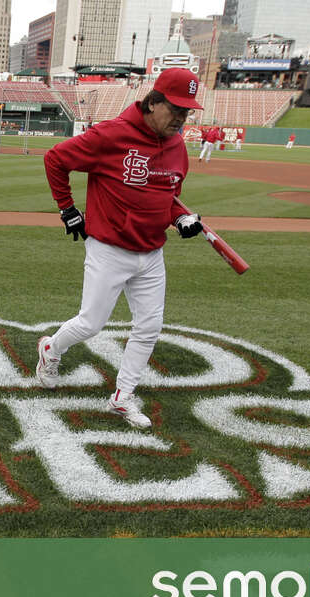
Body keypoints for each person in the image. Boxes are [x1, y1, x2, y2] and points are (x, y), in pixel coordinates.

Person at [36, 67, 206, 429]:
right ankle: (51, 348)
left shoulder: (177, 146)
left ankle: (122, 397)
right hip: (110, 247)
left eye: (187, 112)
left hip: (151, 252)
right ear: (152, 102)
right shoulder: (112, 134)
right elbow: (56, 159)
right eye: (175, 109)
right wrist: (68, 210)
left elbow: (168, 195)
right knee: (91, 323)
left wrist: (181, 218)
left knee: (149, 327)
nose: (181, 118)